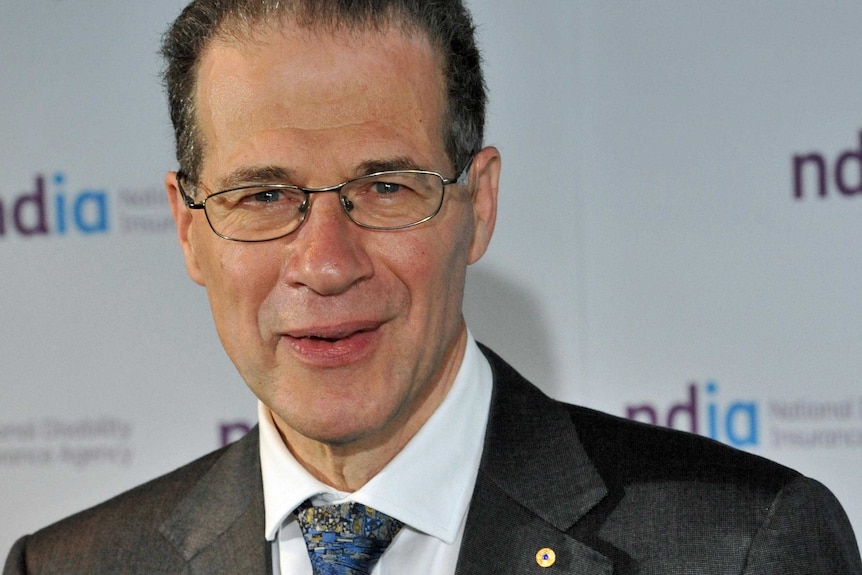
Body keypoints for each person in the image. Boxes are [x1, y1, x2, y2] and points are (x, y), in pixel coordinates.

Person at [4, 0, 861, 573]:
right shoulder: (70, 564)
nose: (326, 262)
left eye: (386, 187)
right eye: (262, 195)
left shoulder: (743, 547)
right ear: (189, 226)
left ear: (478, 205)